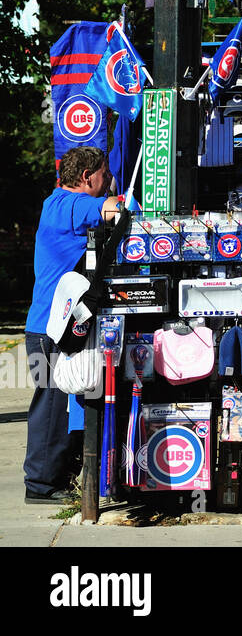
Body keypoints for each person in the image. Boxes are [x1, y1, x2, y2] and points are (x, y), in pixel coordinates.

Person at [24, 146, 121, 504]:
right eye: (104, 173)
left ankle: (53, 477)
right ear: (88, 177)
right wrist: (124, 202)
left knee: (60, 403)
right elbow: (111, 209)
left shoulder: (55, 203)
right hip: (51, 329)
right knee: (50, 407)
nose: (107, 180)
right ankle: (40, 485)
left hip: (50, 325)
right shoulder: (71, 205)